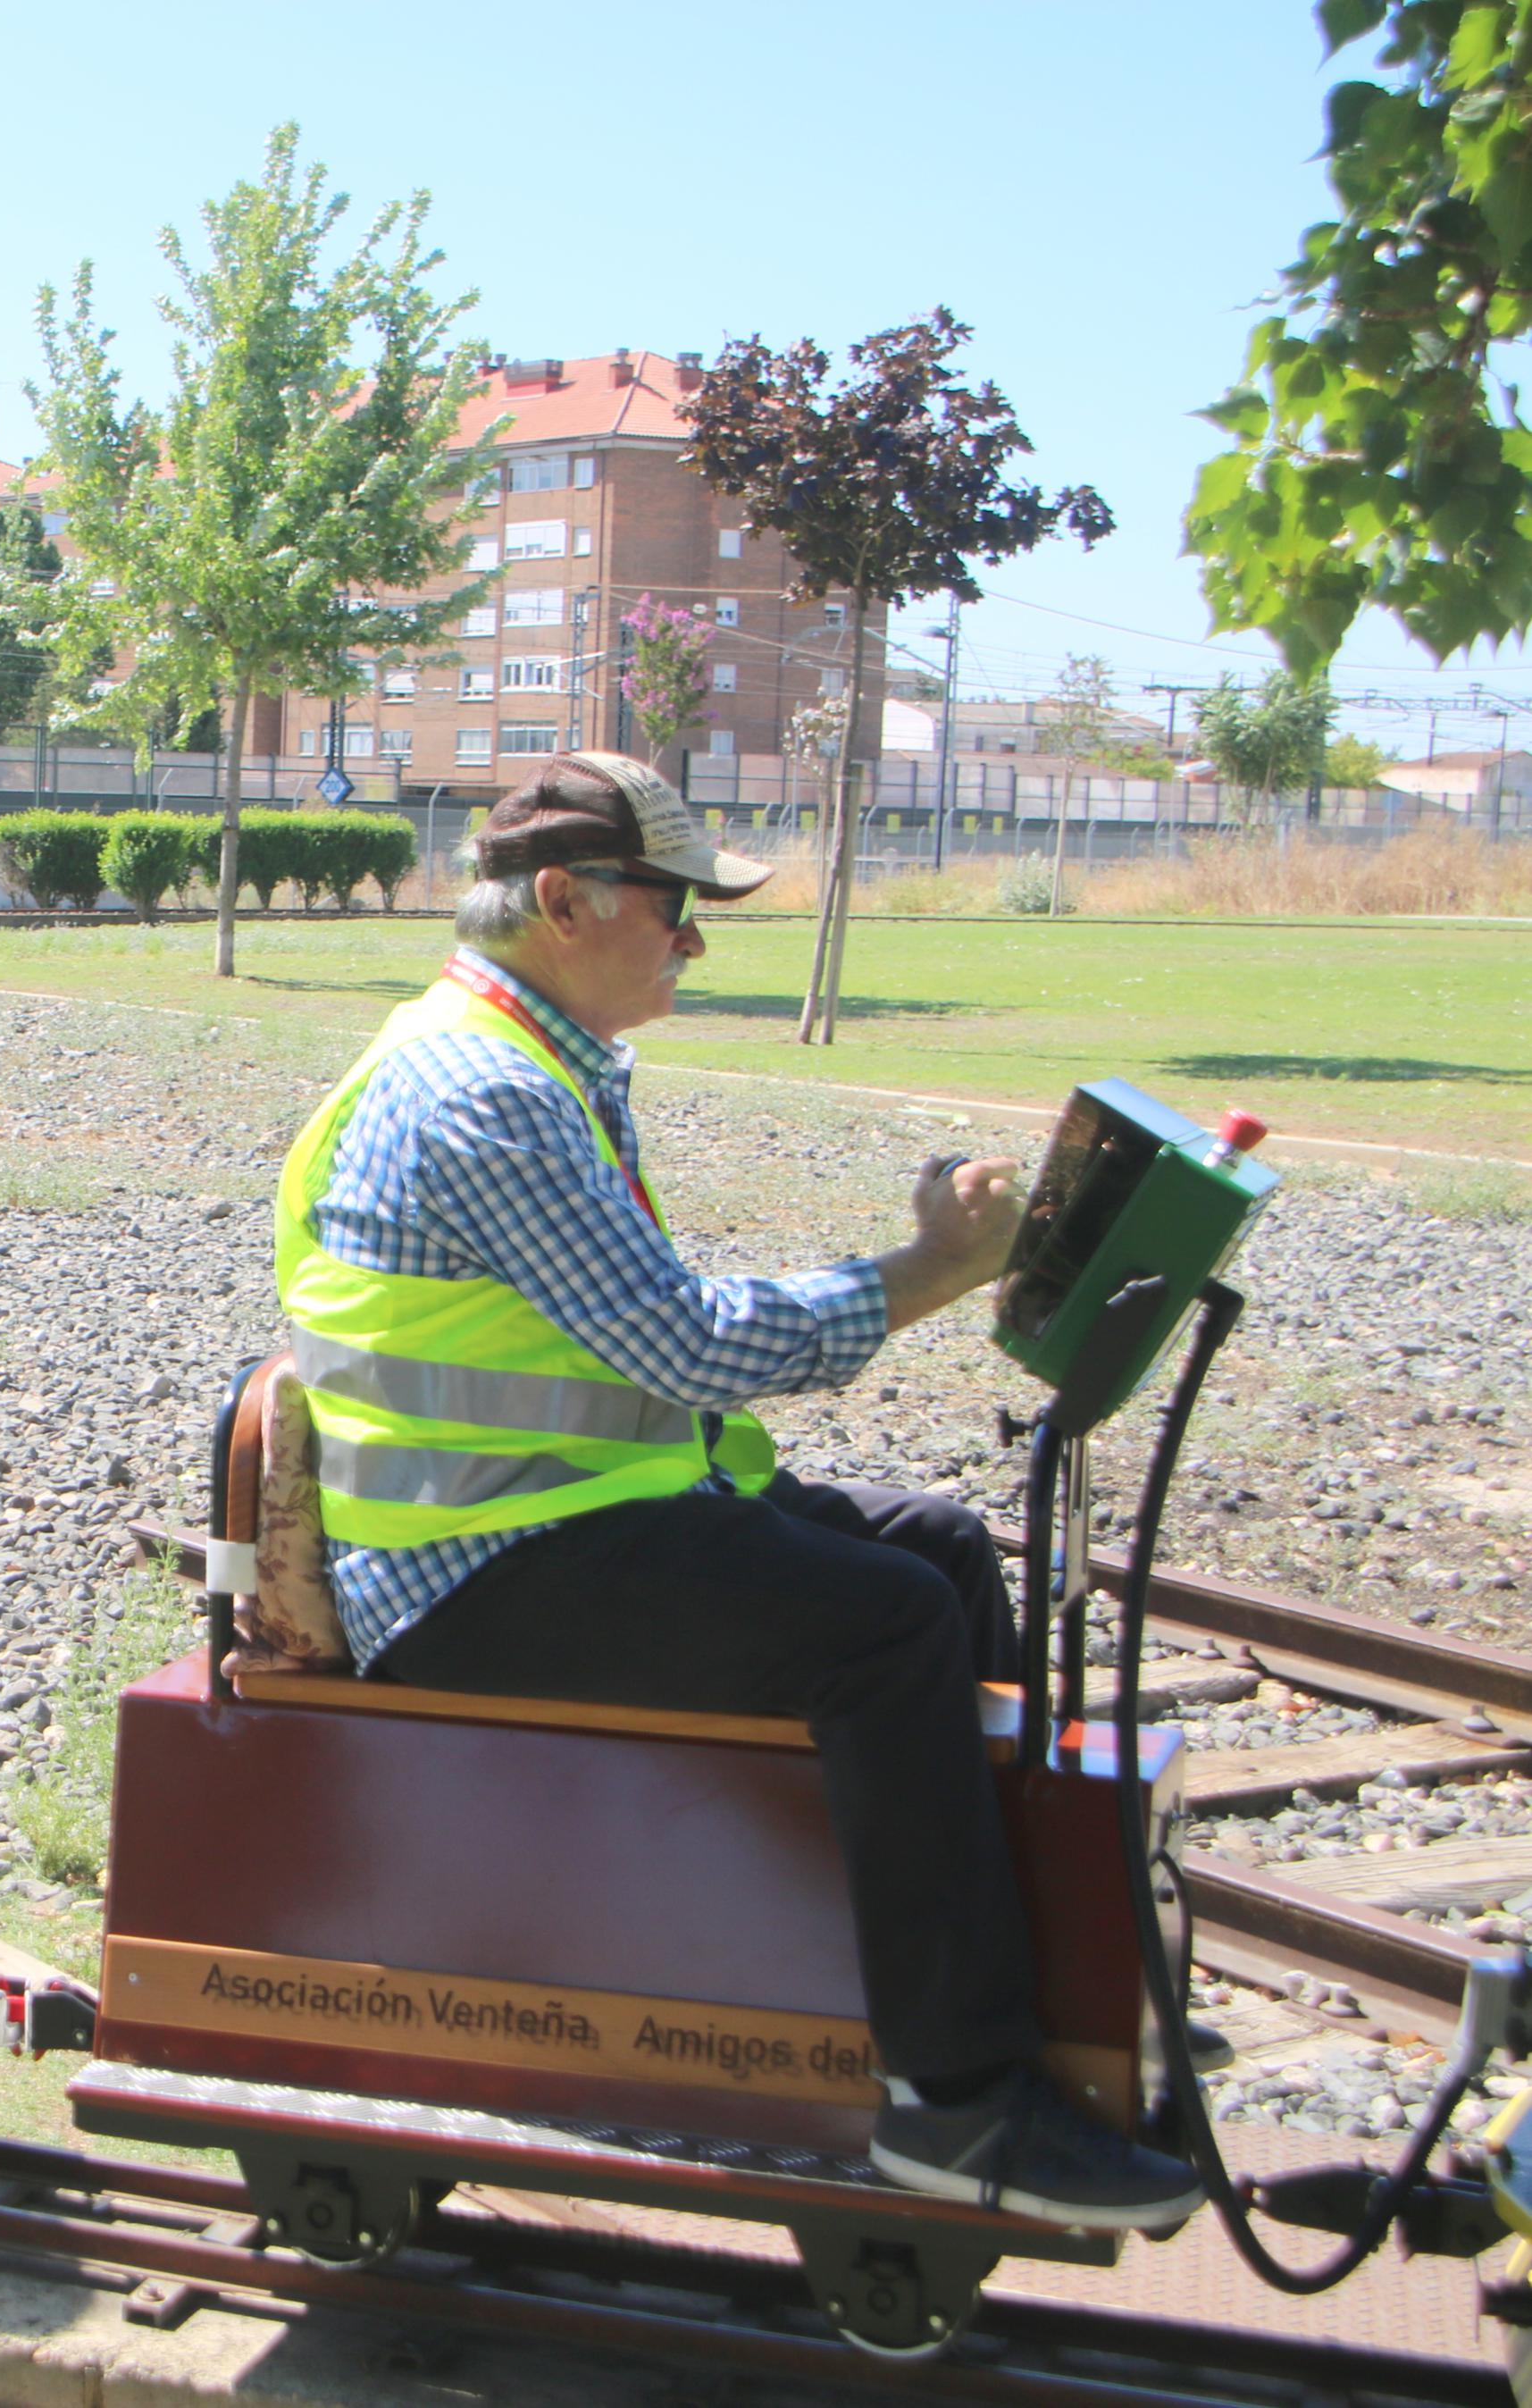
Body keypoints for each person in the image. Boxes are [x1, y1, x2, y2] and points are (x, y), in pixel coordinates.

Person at [272, 751, 1201, 2231]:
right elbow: (683, 1342)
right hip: (470, 1572)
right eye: (674, 904)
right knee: (884, 1626)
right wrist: (924, 1275)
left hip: (552, 1521)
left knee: (942, 1551)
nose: (694, 937)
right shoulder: (480, 1098)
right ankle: (959, 2108)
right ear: (564, 899)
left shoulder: (530, 1061)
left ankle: (1030, 2000)